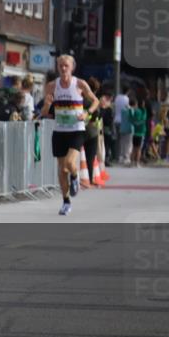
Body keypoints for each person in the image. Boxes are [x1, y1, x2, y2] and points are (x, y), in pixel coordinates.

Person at [39, 55, 99, 216]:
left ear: (72, 67)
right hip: (60, 131)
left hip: (76, 130)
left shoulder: (79, 84)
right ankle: (66, 202)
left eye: (66, 66)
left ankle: (75, 176)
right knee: (61, 169)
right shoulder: (52, 86)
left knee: (70, 163)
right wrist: (47, 104)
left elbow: (95, 101)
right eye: (60, 66)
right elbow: (45, 113)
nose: (63, 69)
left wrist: (87, 113)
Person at [113, 85, 131, 164]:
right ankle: (124, 156)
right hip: (123, 121)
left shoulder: (117, 97)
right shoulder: (126, 99)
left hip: (116, 120)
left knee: (118, 139)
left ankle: (118, 156)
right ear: (128, 91)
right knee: (124, 140)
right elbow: (128, 108)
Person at [130, 97, 148, 165]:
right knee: (139, 149)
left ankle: (132, 162)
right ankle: (137, 162)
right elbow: (144, 119)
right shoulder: (143, 112)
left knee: (134, 148)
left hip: (135, 133)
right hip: (141, 133)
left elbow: (131, 119)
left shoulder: (135, 111)